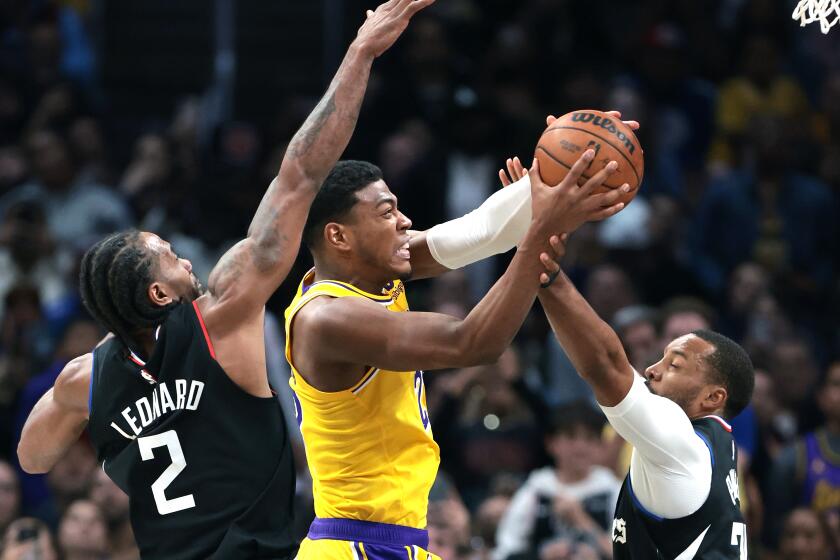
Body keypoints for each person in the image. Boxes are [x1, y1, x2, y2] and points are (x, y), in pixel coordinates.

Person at [16, 1, 434, 558]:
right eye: (168, 255)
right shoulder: (221, 313)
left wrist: (113, 365)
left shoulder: (84, 378)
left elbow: (32, 459)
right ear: (159, 294)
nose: (187, 261)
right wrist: (360, 53)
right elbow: (302, 174)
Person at [284, 146, 629, 559]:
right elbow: (472, 342)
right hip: (353, 545)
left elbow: (479, 231)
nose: (404, 222)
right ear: (340, 236)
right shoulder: (327, 319)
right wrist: (540, 230)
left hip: (398, 539)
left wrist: (562, 169)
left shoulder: (373, 272)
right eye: (386, 212)